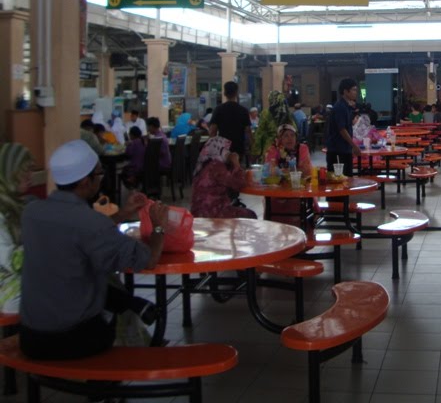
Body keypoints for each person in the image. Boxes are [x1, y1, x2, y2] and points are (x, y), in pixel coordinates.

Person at [19, 139, 168, 360]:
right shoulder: (91, 223)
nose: (101, 179)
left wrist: (122, 214)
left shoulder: (31, 212)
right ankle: (129, 368)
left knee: (100, 286)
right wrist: (159, 226)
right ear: (85, 181)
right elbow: (149, 260)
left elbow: (78, 231)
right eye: (99, 174)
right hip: (73, 339)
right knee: (117, 302)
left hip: (31, 337)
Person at [0, 143, 34, 313]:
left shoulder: (17, 203)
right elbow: (9, 259)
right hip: (6, 285)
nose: (30, 176)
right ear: (10, 172)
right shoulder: (2, 210)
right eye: (24, 170)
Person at [190, 137, 256, 219]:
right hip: (212, 213)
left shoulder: (204, 164)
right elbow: (239, 184)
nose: (228, 152)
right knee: (250, 215)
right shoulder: (216, 167)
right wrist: (236, 163)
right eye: (226, 149)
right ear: (218, 150)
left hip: (199, 212)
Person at [263, 124, 313, 225]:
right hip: (277, 190)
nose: (290, 139)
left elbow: (307, 170)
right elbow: (268, 171)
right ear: (279, 138)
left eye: (292, 135)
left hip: (299, 188)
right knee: (274, 202)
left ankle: (300, 227)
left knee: (299, 201)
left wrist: (287, 172)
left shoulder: (302, 148)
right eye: (285, 136)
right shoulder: (273, 150)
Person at [325, 78, 361, 177]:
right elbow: (342, 130)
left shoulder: (346, 106)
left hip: (344, 149)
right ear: (345, 91)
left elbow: (346, 125)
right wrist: (354, 146)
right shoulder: (340, 107)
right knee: (339, 181)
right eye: (353, 90)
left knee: (347, 180)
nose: (356, 92)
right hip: (338, 150)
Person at [209, 81, 251, 158]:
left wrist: (213, 148)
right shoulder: (243, 110)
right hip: (238, 148)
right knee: (237, 165)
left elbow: (212, 131)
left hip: (222, 148)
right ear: (236, 93)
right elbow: (248, 132)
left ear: (224, 93)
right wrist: (249, 147)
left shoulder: (218, 109)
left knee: (223, 166)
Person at [253, 91, 295, 161]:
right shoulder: (288, 113)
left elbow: (259, 134)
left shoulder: (265, 113)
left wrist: (256, 152)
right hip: (285, 146)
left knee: (270, 166)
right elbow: (294, 130)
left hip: (269, 147)